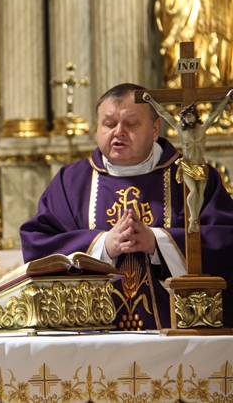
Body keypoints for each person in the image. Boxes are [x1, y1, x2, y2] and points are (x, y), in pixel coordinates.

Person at [20, 83, 233, 330]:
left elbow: (225, 241)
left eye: (131, 124)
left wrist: (157, 242)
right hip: (90, 336)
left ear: (155, 129)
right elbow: (38, 246)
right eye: (109, 124)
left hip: (178, 335)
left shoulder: (192, 178)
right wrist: (103, 246)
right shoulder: (71, 182)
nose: (118, 132)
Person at [143, 90, 233, 233]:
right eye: (185, 116)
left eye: (190, 115)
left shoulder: (202, 128)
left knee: (200, 193)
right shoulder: (181, 130)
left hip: (200, 165)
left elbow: (216, 113)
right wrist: (150, 101)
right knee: (193, 191)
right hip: (188, 164)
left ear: (195, 116)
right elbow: (164, 113)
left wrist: (227, 98)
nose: (188, 118)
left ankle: (195, 217)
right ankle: (193, 218)